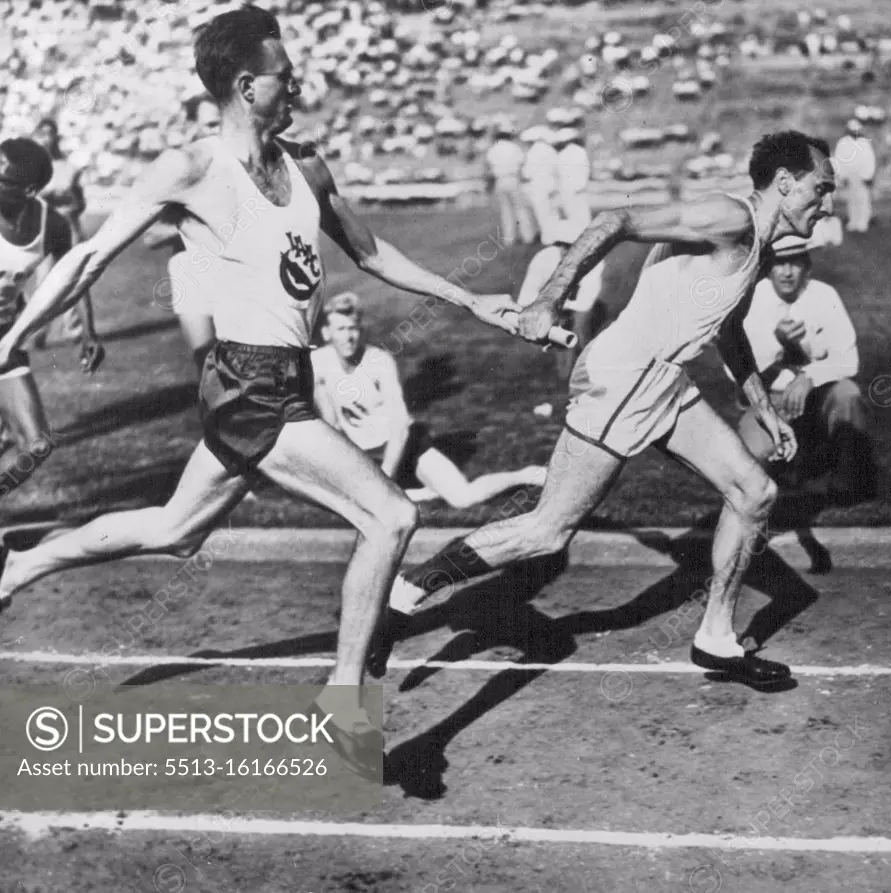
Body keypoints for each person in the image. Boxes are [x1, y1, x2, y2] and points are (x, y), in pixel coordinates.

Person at [0, 6, 520, 769]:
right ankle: (345, 698)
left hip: (285, 378)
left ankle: (23, 565)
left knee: (176, 530)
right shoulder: (191, 169)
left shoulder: (307, 164)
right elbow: (89, 260)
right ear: (247, 85)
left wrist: (473, 299)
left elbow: (372, 254)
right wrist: (11, 338)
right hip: (244, 382)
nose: (299, 84)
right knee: (391, 515)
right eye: (286, 74)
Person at [383, 130, 838, 688]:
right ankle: (413, 588)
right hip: (623, 378)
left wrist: (761, 404)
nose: (827, 204)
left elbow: (728, 326)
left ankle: (716, 641)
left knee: (755, 491)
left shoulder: (757, 244)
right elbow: (613, 223)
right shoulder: (730, 219)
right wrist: (549, 297)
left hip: (665, 381)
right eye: (821, 189)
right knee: (548, 531)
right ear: (785, 183)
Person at [312, 291, 546, 507]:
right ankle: (419, 493)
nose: (348, 337)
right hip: (365, 454)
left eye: (352, 328)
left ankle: (525, 475)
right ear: (326, 333)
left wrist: (384, 477)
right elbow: (331, 425)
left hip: (405, 446)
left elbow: (400, 427)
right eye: (340, 329)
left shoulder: (378, 362)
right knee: (342, 498)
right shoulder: (319, 363)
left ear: (361, 330)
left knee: (463, 498)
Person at [0, 137, 104, 501]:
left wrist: (88, 332)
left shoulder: (52, 224)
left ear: (28, 189)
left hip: (4, 341)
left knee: (36, 448)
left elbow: (75, 278)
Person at [738, 234, 874, 502]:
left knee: (847, 394)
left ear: (807, 267)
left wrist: (809, 377)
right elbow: (737, 371)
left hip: (820, 397)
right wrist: (778, 346)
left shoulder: (824, 295)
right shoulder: (753, 299)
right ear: (767, 266)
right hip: (767, 402)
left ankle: (846, 486)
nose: (787, 273)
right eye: (779, 263)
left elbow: (849, 360)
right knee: (753, 455)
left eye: (795, 263)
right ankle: (783, 478)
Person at [142, 98, 223, 374]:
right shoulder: (181, 169)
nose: (219, 130)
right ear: (192, 127)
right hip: (193, 269)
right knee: (208, 364)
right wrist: (195, 225)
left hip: (237, 269)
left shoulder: (242, 160)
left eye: (222, 122)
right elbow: (150, 236)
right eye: (211, 123)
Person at [516, 217, 606, 405]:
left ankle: (585, 374)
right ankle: (564, 376)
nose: (569, 252)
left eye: (576, 247)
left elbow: (584, 304)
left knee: (580, 329)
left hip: (578, 307)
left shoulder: (595, 262)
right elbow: (525, 297)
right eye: (565, 246)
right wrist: (551, 313)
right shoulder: (543, 259)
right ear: (558, 245)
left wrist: (565, 313)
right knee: (559, 351)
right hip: (550, 308)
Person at [31, 118, 93, 348]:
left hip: (69, 227)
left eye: (51, 133)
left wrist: (70, 206)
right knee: (44, 283)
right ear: (36, 137)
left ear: (57, 136)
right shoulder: (30, 168)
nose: (47, 139)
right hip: (43, 230)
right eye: (42, 134)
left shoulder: (69, 167)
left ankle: (76, 329)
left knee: (75, 280)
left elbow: (81, 202)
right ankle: (38, 330)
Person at [483, 120, 535, 246]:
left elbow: (488, 168)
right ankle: (527, 236)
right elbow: (522, 164)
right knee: (520, 209)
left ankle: (509, 238)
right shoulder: (514, 148)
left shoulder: (493, 149)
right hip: (513, 179)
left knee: (506, 210)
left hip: (500, 180)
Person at [833, 119, 875, 233]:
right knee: (851, 200)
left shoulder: (864, 143)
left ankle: (863, 222)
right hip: (850, 176)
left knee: (863, 199)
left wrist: (868, 175)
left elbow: (869, 160)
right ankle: (853, 221)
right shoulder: (843, 142)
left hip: (862, 176)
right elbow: (840, 159)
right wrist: (842, 176)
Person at [522, 127, 561, 246]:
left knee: (542, 213)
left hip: (538, 186)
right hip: (552, 184)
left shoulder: (532, 153)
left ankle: (548, 238)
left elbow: (527, 172)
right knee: (554, 212)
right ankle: (558, 235)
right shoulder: (551, 150)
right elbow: (557, 167)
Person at [555, 127, 592, 237]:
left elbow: (560, 173)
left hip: (567, 188)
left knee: (572, 214)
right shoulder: (581, 151)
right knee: (583, 214)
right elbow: (586, 169)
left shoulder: (561, 154)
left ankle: (575, 236)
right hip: (580, 187)